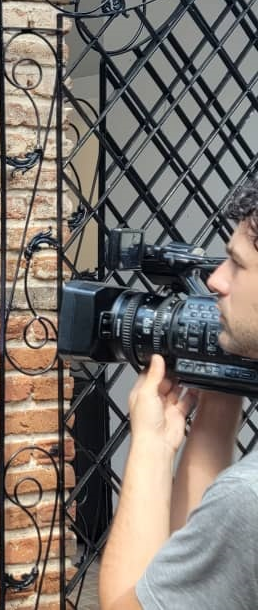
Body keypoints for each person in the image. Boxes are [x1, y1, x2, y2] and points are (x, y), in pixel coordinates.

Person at [99, 176, 258, 610]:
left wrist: (151, 447)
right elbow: (194, 576)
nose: (216, 281)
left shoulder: (247, 498)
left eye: (237, 264)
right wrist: (221, 389)